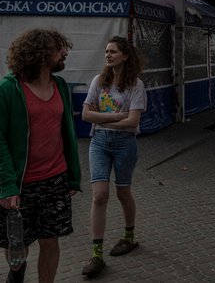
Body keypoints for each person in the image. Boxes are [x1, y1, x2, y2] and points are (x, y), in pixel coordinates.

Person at [0, 29, 82, 283]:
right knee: (18, 244)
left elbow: (66, 131)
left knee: (50, 240)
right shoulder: (8, 90)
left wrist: (72, 176)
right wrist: (7, 185)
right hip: (21, 184)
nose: (65, 53)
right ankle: (16, 274)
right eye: (59, 49)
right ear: (42, 53)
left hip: (55, 180)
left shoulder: (59, 85)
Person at [80, 36, 146, 278]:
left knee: (123, 192)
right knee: (100, 196)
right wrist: (118, 117)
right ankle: (96, 254)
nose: (108, 55)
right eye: (106, 51)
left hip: (125, 145)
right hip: (98, 142)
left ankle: (129, 237)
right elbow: (86, 115)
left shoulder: (136, 85)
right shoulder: (99, 81)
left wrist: (104, 117)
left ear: (125, 56)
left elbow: (134, 122)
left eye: (113, 52)